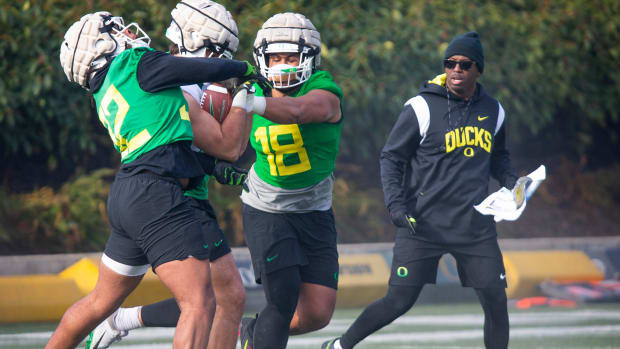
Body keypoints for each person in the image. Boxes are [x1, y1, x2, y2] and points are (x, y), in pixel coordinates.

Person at [49, 10, 258, 349]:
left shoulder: (107, 90)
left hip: (135, 190)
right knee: (199, 302)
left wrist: (212, 168)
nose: (128, 34)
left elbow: (164, 145)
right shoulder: (134, 63)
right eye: (116, 30)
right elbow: (192, 69)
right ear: (102, 44)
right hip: (157, 192)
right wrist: (242, 70)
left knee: (100, 301)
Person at [322, 32, 524, 349]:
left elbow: (498, 158)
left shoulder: (494, 112)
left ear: (478, 69)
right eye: (450, 63)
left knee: (495, 301)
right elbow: (391, 157)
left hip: (474, 226)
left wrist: (514, 184)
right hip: (423, 223)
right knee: (399, 300)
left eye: (465, 64)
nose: (456, 69)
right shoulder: (421, 107)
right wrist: (396, 206)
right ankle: (340, 345)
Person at [237, 12, 344, 349]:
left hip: (315, 210)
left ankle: (246, 334)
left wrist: (249, 102)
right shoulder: (248, 87)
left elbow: (297, 112)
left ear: (309, 58)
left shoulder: (323, 90)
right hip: (267, 209)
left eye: (290, 57)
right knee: (281, 302)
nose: (283, 65)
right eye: (275, 58)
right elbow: (224, 140)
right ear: (262, 60)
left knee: (317, 313)